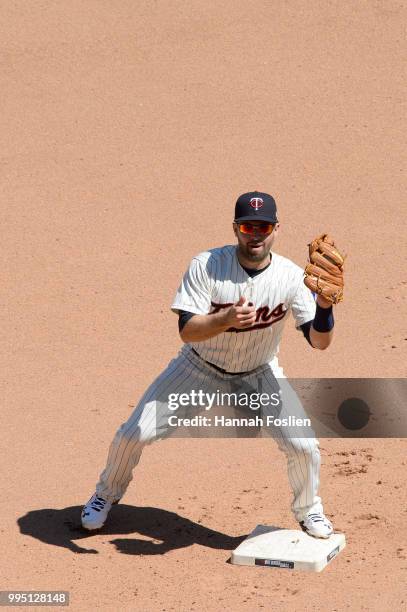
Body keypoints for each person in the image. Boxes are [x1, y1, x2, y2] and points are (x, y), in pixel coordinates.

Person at [81, 191, 336, 538]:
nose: (256, 234)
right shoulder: (207, 265)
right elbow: (187, 330)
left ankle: (310, 510)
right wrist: (226, 318)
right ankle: (104, 495)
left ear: (276, 229)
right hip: (198, 370)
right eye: (248, 226)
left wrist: (324, 307)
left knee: (303, 445)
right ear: (235, 229)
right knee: (133, 434)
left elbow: (319, 342)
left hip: (259, 375)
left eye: (263, 226)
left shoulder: (291, 277)